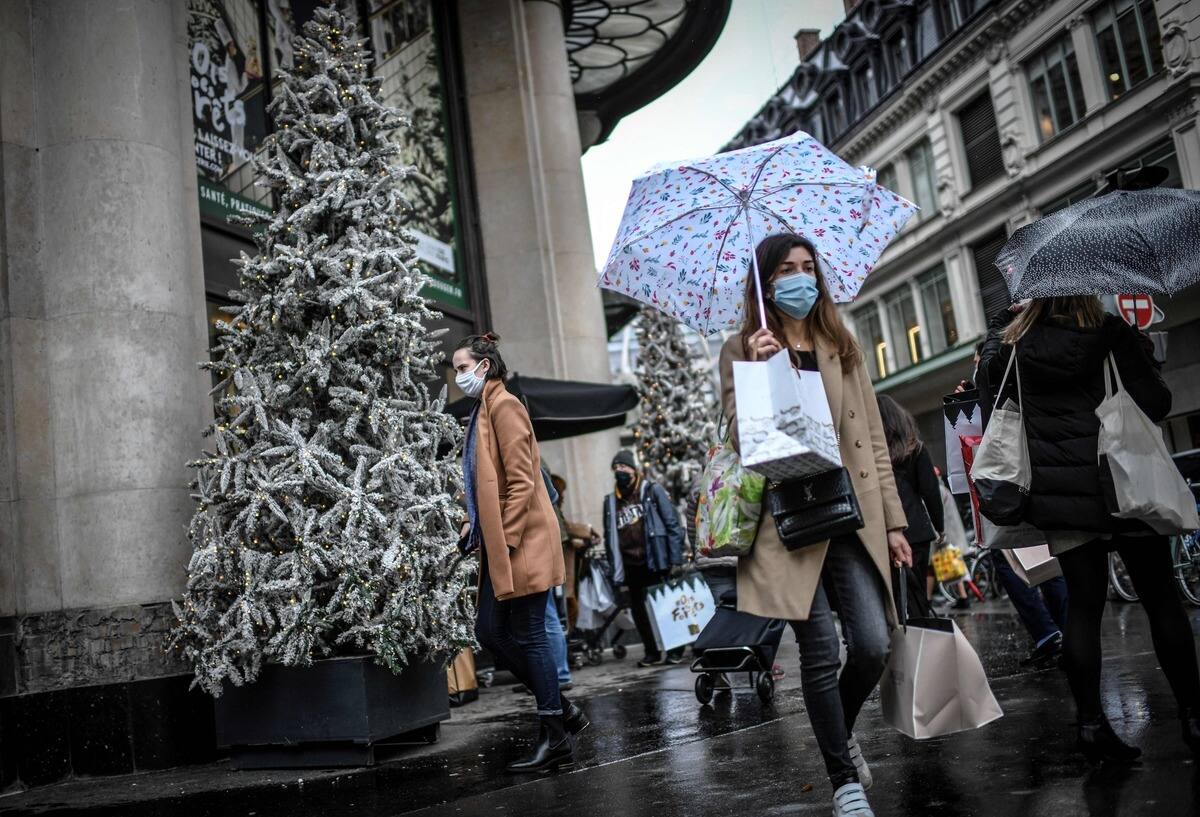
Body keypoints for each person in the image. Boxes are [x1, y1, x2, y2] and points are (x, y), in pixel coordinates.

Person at [719, 233, 911, 817]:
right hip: (788, 520)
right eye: (786, 270)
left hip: (848, 511)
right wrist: (759, 367)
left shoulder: (840, 342)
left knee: (874, 644)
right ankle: (843, 781)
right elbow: (738, 438)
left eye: (808, 267)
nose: (801, 279)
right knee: (820, 651)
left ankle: (839, 732)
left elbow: (873, 439)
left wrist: (895, 523)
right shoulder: (740, 348)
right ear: (765, 282)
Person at [977, 297, 1200, 762]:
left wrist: (1004, 323)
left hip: (1063, 498)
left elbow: (987, 398)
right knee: (1160, 599)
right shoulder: (1112, 333)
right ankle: (1193, 717)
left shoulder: (1014, 347)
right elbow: (1156, 404)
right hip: (1126, 486)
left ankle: (1091, 726)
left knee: (1082, 608)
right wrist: (1139, 348)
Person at [453, 333, 588, 773]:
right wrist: (475, 522)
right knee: (489, 631)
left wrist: (505, 538)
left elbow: (522, 482)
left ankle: (555, 734)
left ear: (484, 366)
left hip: (521, 540)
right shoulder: (483, 411)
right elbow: (487, 485)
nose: (458, 377)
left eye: (462, 367)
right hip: (501, 542)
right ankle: (564, 711)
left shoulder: (505, 406)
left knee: (529, 634)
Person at [957, 340, 1069, 664]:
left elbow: (986, 424)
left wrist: (973, 391)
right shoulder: (1031, 370)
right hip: (1041, 475)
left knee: (1008, 558)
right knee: (1046, 557)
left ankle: (1050, 634)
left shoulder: (997, 375)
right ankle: (1063, 632)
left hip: (1008, 481)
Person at [602, 450, 686, 667]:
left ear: (634, 469)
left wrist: (675, 559)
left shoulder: (651, 490)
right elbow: (608, 535)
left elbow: (673, 525)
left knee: (665, 606)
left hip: (655, 560)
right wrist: (615, 568)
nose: (620, 471)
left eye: (624, 467)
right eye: (616, 467)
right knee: (639, 611)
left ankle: (675, 649)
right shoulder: (611, 502)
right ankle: (652, 652)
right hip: (630, 564)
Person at [876, 395, 943, 610]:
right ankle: (922, 635)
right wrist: (940, 526)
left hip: (884, 533)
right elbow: (931, 492)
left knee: (894, 596)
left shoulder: (873, 457)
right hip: (917, 530)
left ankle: (902, 638)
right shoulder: (916, 449)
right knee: (918, 593)